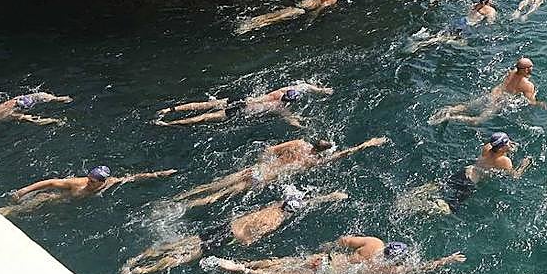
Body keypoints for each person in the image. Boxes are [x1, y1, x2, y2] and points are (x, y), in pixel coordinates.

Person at [120, 188, 348, 274]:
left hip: (226, 225)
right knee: (184, 257)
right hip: (229, 237)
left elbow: (301, 202)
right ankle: (142, 270)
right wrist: (247, 243)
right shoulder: (276, 220)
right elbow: (249, 238)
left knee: (183, 242)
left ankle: (138, 257)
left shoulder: (275, 206)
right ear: (289, 212)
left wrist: (328, 197)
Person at [173, 137, 388, 211]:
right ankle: (188, 205)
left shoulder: (299, 144)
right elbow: (343, 155)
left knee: (214, 185)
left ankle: (181, 197)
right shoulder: (313, 162)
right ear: (324, 151)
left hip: (257, 170)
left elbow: (268, 151)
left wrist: (263, 164)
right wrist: (367, 144)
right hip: (263, 179)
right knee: (218, 196)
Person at [204, 236, 464, 274]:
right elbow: (420, 269)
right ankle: (242, 270)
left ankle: (246, 263)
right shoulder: (386, 272)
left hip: (326, 259)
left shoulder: (374, 243)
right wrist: (446, 260)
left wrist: (326, 247)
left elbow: (344, 239)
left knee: (280, 261)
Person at [400, 132, 532, 216]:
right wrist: (524, 165)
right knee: (448, 209)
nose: (510, 143)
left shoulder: (487, 148)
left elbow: (496, 150)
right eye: (507, 143)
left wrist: (507, 146)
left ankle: (414, 194)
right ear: (502, 148)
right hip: (470, 183)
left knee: (441, 185)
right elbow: (515, 176)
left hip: (466, 171)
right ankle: (422, 206)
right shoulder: (504, 161)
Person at [1, 165, 177, 217]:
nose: (90, 183)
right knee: (40, 201)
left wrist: (159, 174)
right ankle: (5, 211)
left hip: (73, 203)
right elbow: (51, 182)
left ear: (103, 181)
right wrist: (24, 190)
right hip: (61, 197)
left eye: (94, 182)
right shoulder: (77, 183)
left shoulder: (109, 183)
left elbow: (135, 177)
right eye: (90, 179)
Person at [155, 83, 333, 128]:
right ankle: (168, 124)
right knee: (204, 117)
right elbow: (289, 119)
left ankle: (170, 109)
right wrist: (300, 123)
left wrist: (321, 90)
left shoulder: (282, 90)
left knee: (201, 105)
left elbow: (305, 86)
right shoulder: (280, 107)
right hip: (240, 109)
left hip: (239, 99)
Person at [236, 0, 378, 35]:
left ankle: (253, 20)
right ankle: (251, 27)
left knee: (274, 14)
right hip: (301, 11)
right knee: (275, 19)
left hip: (302, 4)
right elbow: (319, 9)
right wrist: (310, 20)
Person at [429, 58, 547, 125]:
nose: (532, 68)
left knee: (466, 107)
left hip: (490, 95)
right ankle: (450, 118)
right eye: (531, 67)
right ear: (526, 69)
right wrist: (541, 104)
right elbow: (530, 102)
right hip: (498, 102)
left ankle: (448, 110)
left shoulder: (511, 72)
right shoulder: (528, 85)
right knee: (478, 121)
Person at [0, 91, 72, 126]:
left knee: (31, 120)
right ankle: (60, 99)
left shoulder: (5, 116)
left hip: (11, 112)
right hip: (18, 101)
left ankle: (55, 121)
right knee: (39, 96)